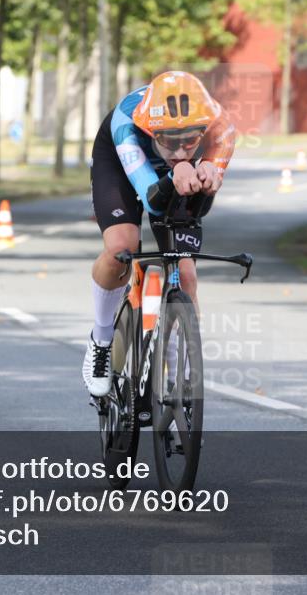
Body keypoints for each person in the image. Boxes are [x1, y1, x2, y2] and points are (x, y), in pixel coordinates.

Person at [82, 71, 235, 397]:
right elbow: (152, 199)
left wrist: (210, 174)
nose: (180, 150)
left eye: (190, 140)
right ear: (151, 131)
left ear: (204, 128)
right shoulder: (127, 123)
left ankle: (180, 364)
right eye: (168, 140)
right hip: (123, 165)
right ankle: (102, 340)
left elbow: (200, 207)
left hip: (173, 174)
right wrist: (180, 169)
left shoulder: (220, 125)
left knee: (186, 271)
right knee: (121, 249)